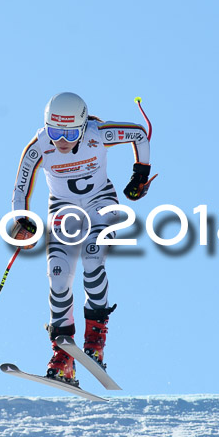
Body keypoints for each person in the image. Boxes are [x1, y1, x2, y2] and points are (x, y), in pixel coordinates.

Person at [10, 92, 154, 384]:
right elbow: (20, 188)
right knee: (58, 274)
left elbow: (139, 135)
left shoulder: (97, 134)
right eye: (55, 132)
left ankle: (95, 341)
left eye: (70, 133)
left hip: (101, 204)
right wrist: (22, 221)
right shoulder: (39, 146)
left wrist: (140, 175)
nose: (61, 141)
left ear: (82, 125)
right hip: (63, 209)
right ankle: (63, 354)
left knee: (92, 256)